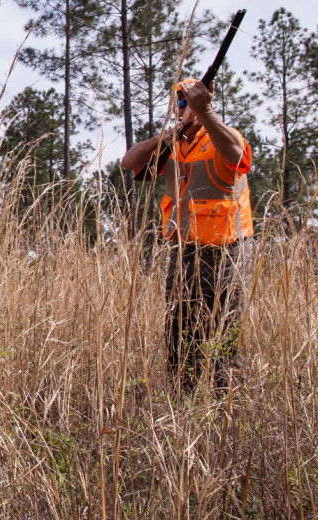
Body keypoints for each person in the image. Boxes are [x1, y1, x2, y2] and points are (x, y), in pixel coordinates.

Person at [122, 78, 253, 392]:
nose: (183, 106)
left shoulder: (223, 134)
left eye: (188, 100)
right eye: (179, 101)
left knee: (222, 332)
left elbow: (237, 158)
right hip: (183, 253)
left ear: (204, 101)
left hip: (227, 253)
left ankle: (225, 406)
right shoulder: (171, 145)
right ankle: (184, 400)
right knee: (179, 332)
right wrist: (166, 136)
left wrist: (205, 113)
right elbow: (130, 162)